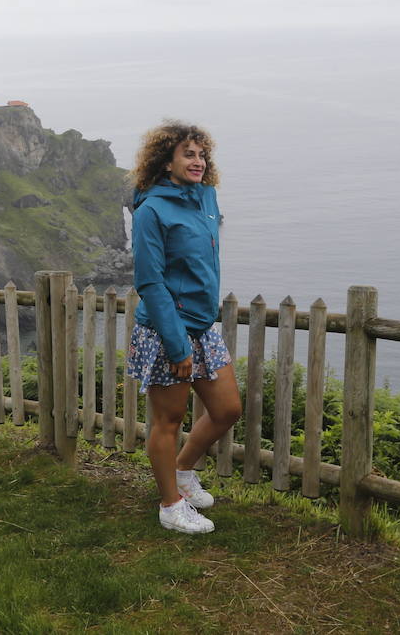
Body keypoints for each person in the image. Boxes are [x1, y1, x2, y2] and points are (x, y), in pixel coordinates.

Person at [127, 121, 242, 534]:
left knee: (228, 409)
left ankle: (182, 470)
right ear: (166, 161)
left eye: (201, 154)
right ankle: (170, 505)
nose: (198, 161)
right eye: (187, 154)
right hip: (166, 332)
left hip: (202, 326)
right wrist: (177, 347)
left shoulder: (206, 198)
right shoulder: (151, 210)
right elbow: (150, 282)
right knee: (168, 421)